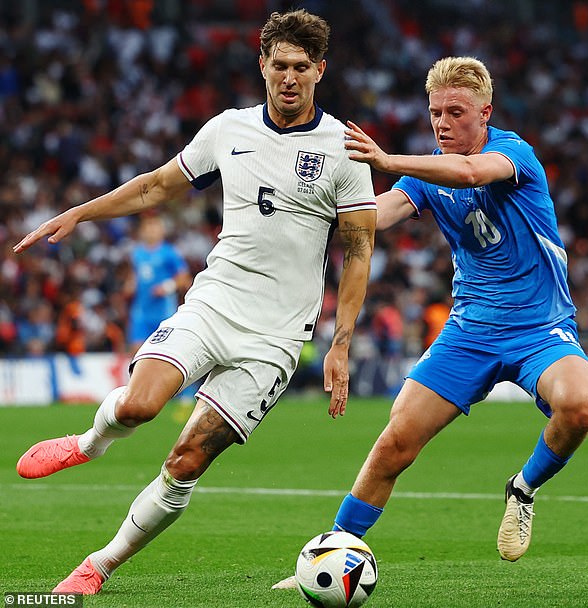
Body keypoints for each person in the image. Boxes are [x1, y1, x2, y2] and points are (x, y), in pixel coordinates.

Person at [13, 9, 376, 595]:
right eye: (279, 66)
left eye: (301, 68)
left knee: (186, 460)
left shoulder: (345, 148)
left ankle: (98, 565)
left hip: (276, 338)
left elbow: (359, 249)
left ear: (320, 71)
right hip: (213, 303)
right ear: (262, 66)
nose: (289, 78)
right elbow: (157, 185)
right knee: (138, 407)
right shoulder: (227, 130)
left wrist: (341, 343)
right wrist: (82, 211)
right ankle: (87, 443)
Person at [274, 55, 588, 589]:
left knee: (581, 406)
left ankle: (523, 487)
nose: (443, 123)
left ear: (485, 114)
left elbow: (472, 172)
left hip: (539, 327)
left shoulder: (513, 154)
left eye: (455, 112)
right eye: (434, 113)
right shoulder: (428, 176)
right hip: (469, 331)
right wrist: (313, 209)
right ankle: (327, 556)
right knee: (395, 443)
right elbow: (377, 216)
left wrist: (385, 157)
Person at [124, 213, 191, 353]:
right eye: (147, 226)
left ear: (162, 230)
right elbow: (134, 277)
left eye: (154, 226)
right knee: (136, 352)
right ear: (142, 231)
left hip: (163, 312)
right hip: (141, 311)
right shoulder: (137, 253)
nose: (151, 230)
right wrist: (130, 286)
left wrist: (167, 287)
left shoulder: (169, 253)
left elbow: (184, 277)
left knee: (164, 353)